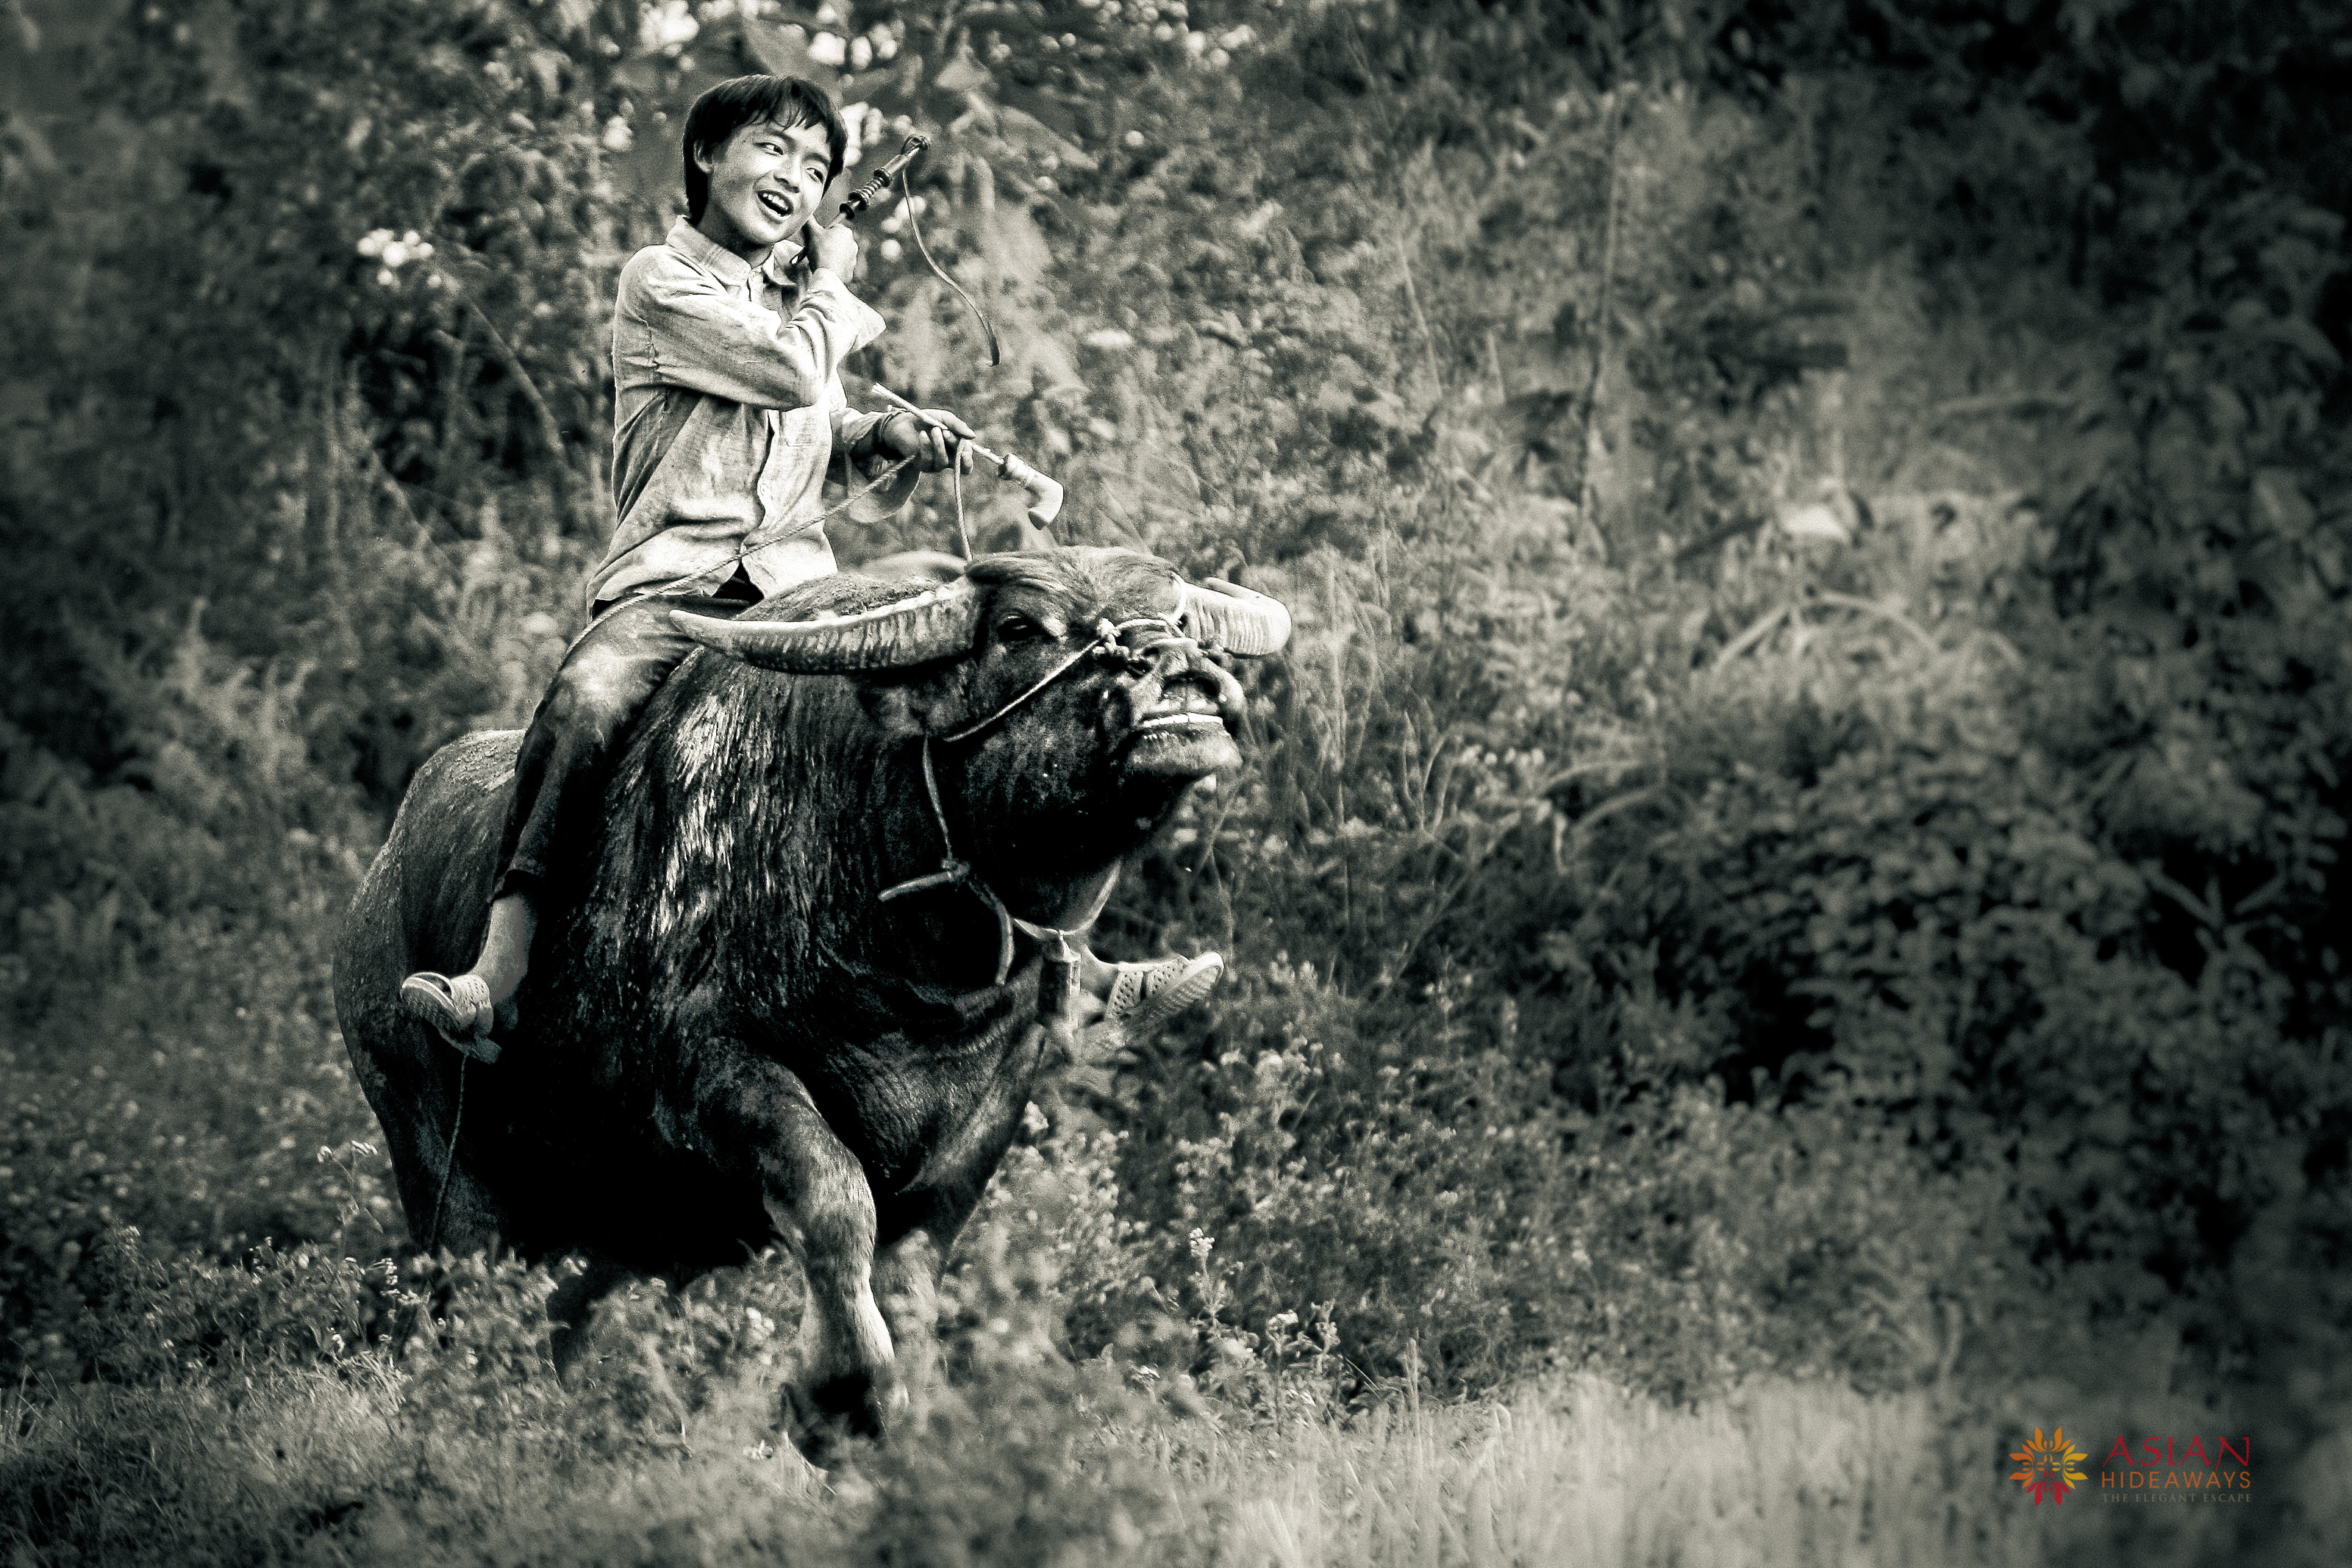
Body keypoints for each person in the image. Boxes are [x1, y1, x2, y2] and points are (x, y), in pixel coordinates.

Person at [399, 75, 1218, 1060]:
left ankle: (1065, 972)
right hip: (673, 592)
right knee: (585, 696)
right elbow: (782, 371)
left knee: (962, 650)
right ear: (707, 156)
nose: (798, 178)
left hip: (795, 592)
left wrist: (885, 435)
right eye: (775, 150)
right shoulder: (660, 281)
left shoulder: (791, 308)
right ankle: (502, 967)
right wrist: (833, 283)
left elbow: (810, 423)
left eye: (819, 167)